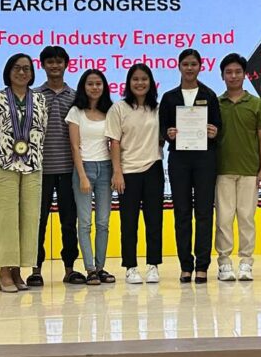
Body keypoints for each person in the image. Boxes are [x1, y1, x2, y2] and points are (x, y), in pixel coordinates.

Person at [0, 53, 48, 292]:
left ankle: (18, 270)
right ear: (8, 71)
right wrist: (4, 150)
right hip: (3, 165)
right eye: (17, 68)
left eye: (26, 68)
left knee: (29, 219)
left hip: (32, 166)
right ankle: (4, 272)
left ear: (32, 73)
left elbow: (42, 131)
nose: (22, 72)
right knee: (5, 219)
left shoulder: (39, 99)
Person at [159, 49, 222, 283]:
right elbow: (162, 128)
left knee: (204, 212)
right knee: (182, 213)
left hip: (205, 159)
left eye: (193, 64)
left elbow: (219, 127)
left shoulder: (210, 95)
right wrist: (168, 133)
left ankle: (202, 266)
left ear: (200, 67)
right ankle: (185, 265)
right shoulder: (169, 97)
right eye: (185, 64)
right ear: (178, 66)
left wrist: (214, 132)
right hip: (179, 160)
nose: (189, 68)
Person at [105, 64, 164, 284]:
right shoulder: (118, 108)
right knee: (129, 222)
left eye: (144, 79)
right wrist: (117, 172)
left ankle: (153, 265)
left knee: (154, 220)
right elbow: (114, 142)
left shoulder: (157, 109)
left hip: (153, 168)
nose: (140, 83)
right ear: (129, 83)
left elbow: (162, 138)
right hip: (127, 171)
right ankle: (130, 267)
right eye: (135, 79)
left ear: (151, 83)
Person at [214, 53, 261, 282]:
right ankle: (224, 263)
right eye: (229, 72)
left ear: (245, 75)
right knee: (223, 219)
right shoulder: (216, 103)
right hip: (222, 170)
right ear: (222, 76)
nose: (233, 76)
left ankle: (246, 262)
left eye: (238, 71)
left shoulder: (256, 104)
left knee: (246, 218)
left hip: (249, 171)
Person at [31, 46, 83, 286]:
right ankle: (35, 270)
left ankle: (70, 269)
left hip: (69, 171)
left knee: (69, 223)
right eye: (50, 62)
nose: (54, 66)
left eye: (59, 61)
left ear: (66, 65)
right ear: (42, 65)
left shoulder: (76, 97)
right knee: (38, 222)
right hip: (39, 170)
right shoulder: (34, 96)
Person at [65, 69, 116, 285]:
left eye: (98, 84)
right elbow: (74, 146)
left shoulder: (111, 111)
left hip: (106, 168)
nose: (94, 87)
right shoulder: (75, 112)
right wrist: (82, 175)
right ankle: (90, 269)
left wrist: (115, 171)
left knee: (103, 222)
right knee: (85, 222)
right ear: (83, 87)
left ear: (104, 87)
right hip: (84, 168)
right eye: (90, 84)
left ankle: (101, 267)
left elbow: (114, 143)